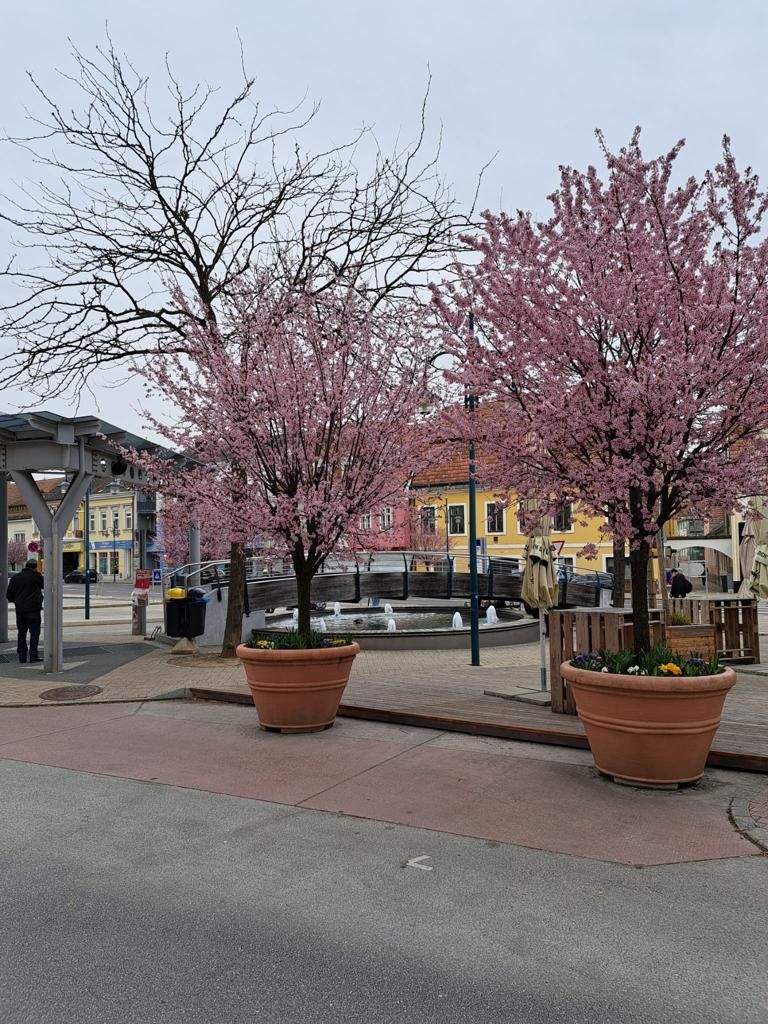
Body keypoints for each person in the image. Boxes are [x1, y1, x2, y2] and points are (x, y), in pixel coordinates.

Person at [6, 559, 44, 663]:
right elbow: (45, 586)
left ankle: (22, 657)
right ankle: (33, 656)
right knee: (34, 633)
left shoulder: (16, 578)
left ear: (25, 566)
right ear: (35, 567)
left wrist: (17, 601)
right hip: (33, 609)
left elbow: (9, 595)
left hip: (20, 609)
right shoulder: (36, 576)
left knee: (21, 633)